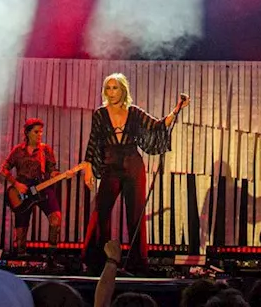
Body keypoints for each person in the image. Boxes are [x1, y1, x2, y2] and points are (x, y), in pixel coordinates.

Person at [81, 73, 189, 274]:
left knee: (135, 214)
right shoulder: (100, 114)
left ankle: (137, 263)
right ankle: (96, 260)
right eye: (108, 88)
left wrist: (176, 110)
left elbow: (157, 125)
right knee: (101, 211)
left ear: (123, 90)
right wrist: (88, 168)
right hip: (110, 165)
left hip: (133, 164)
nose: (111, 92)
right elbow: (93, 141)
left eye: (115, 88)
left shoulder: (134, 112)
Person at [2, 118, 64, 254]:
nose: (39, 134)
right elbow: (4, 169)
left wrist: (56, 174)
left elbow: (52, 168)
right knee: (21, 230)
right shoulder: (18, 150)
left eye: (41, 132)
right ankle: (21, 257)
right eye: (36, 132)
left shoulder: (45, 150)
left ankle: (51, 256)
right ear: (28, 133)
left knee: (56, 219)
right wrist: (16, 184)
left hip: (42, 188)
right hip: (22, 191)